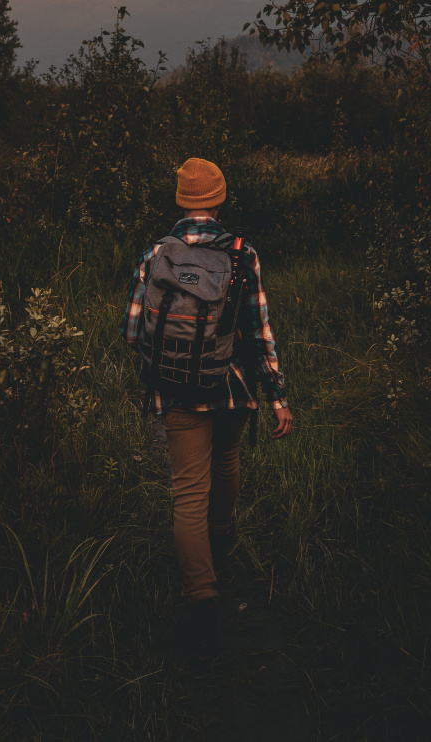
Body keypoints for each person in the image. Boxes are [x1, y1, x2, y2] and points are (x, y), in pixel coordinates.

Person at [121, 156, 292, 662]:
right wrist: (278, 393)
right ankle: (220, 551)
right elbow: (261, 330)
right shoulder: (244, 254)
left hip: (176, 392)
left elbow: (134, 331)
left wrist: (170, 362)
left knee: (187, 490)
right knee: (227, 463)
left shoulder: (157, 253)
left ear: (181, 201)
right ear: (218, 199)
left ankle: (201, 598)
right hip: (234, 388)